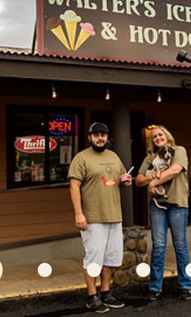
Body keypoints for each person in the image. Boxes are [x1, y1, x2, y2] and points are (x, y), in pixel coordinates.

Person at [68, 122, 132, 314]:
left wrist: (126, 182)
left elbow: (122, 178)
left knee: (110, 258)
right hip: (93, 217)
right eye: (96, 135)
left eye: (103, 135)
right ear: (89, 137)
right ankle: (92, 296)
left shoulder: (114, 156)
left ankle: (106, 292)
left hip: (114, 215)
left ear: (107, 137)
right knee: (94, 258)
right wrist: (78, 213)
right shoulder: (81, 158)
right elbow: (74, 187)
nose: (100, 138)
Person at [135, 125, 191, 301]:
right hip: (157, 205)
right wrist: (150, 179)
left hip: (177, 203)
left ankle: (185, 285)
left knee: (180, 245)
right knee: (158, 246)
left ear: (167, 136)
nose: (157, 138)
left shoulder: (178, 151)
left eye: (160, 135)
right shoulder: (150, 158)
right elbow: (138, 180)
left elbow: (175, 170)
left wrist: (152, 183)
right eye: (154, 137)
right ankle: (154, 287)